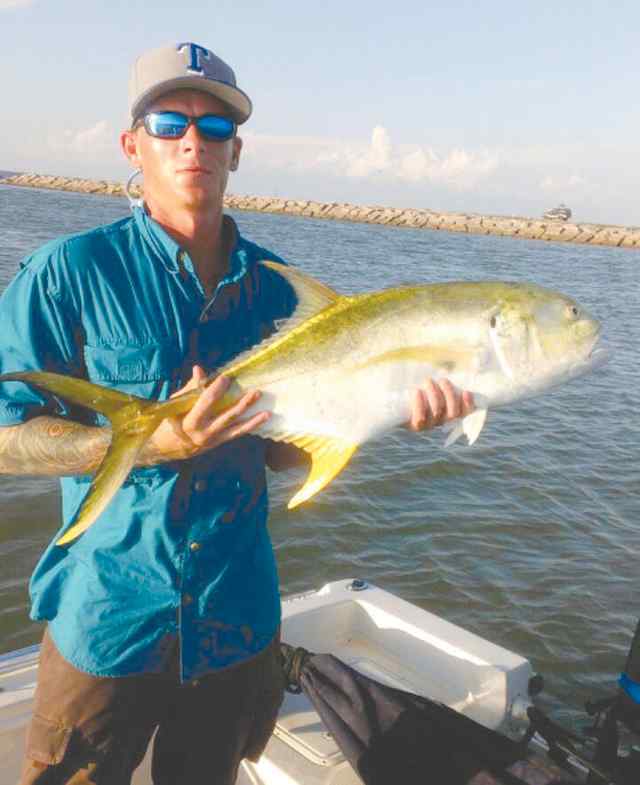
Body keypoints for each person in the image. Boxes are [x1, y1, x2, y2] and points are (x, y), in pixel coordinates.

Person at [0, 42, 474, 785]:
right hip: (108, 617)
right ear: (132, 145)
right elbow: (7, 437)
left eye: (215, 126)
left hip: (236, 623)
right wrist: (150, 442)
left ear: (237, 151)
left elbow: (283, 451)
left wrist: (388, 407)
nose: (193, 141)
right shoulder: (69, 272)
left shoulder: (282, 290)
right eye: (169, 122)